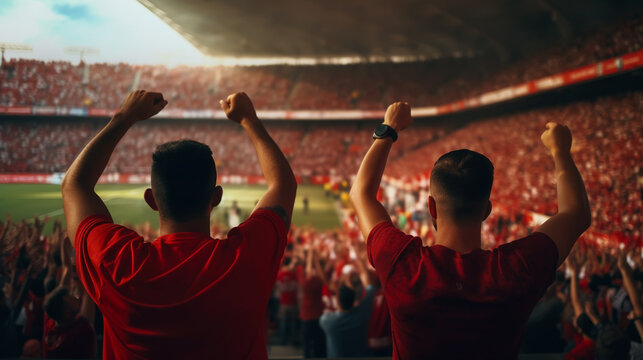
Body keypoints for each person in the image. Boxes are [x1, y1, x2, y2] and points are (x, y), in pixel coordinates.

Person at [61, 91, 297, 358]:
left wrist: (123, 118)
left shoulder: (119, 265)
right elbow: (283, 185)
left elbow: (74, 186)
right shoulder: (244, 260)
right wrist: (249, 121)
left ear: (152, 200)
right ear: (216, 198)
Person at [349, 101, 591, 359]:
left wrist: (389, 128)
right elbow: (575, 214)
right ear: (486, 210)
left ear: (432, 206)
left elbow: (361, 193)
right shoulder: (516, 270)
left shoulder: (402, 262)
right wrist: (560, 151)